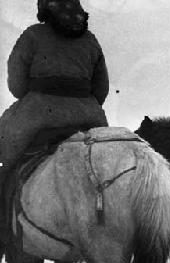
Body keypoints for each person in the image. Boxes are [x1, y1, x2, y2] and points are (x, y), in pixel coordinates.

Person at [0, 0, 109, 228]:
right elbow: (102, 88)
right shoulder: (90, 40)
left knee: (5, 158)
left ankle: (3, 219)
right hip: (88, 116)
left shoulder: (32, 35)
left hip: (37, 114)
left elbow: (16, 85)